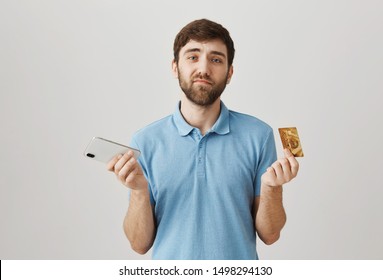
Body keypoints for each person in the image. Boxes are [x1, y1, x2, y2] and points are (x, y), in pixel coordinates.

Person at [107, 19, 299, 260]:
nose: (204, 69)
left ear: (229, 73)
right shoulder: (145, 141)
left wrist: (272, 188)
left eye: (216, 59)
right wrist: (139, 191)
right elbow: (139, 244)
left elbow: (270, 235)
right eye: (193, 57)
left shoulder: (259, 135)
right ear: (175, 67)